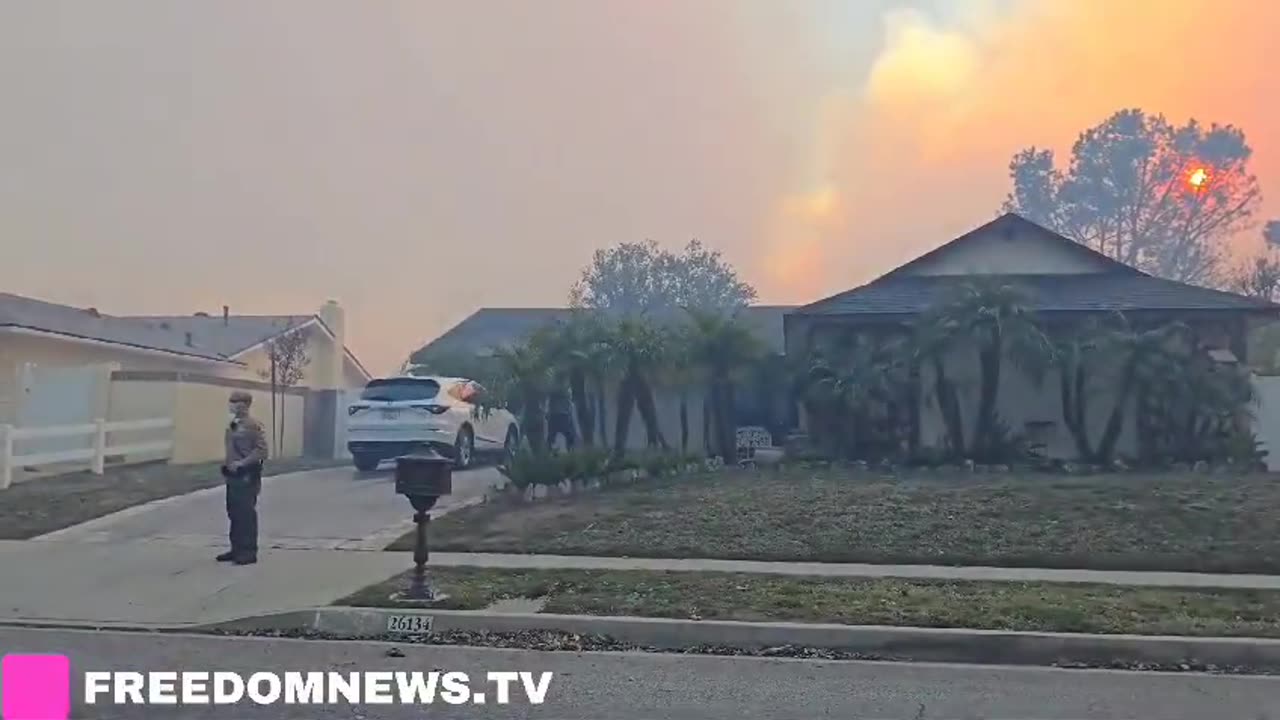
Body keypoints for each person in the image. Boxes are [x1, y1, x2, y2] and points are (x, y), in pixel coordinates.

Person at [219, 390, 268, 565]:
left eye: (235, 401)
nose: (231, 404)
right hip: (233, 475)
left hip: (247, 474)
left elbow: (262, 450)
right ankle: (236, 548)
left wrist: (242, 463)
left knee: (246, 513)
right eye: (231, 400)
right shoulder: (234, 423)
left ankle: (248, 552)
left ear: (244, 404)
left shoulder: (254, 425)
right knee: (233, 512)